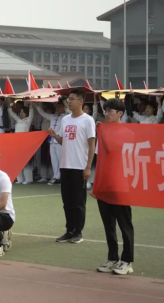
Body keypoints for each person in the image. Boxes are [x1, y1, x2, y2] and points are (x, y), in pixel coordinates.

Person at [48, 89, 96, 244]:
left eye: (72, 99)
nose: (69, 101)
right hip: (65, 165)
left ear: (81, 101)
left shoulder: (87, 120)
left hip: (79, 166)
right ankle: (69, 230)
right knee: (67, 201)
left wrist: (88, 167)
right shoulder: (65, 120)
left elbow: (92, 144)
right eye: (68, 99)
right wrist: (55, 136)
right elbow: (64, 141)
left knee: (78, 202)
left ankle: (78, 232)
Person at [94, 98, 135, 276]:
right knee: (108, 225)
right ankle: (113, 258)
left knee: (125, 225)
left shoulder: (128, 133)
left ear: (120, 113)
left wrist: (102, 132)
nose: (106, 113)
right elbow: (101, 161)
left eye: (110, 110)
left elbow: (121, 155)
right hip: (105, 184)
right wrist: (97, 186)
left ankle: (127, 261)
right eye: (105, 110)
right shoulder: (102, 132)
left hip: (122, 185)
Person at [36, 98, 70, 185]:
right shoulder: (53, 116)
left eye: (59, 106)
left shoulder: (66, 117)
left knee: (60, 159)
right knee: (54, 160)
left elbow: (70, 112)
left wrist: (65, 103)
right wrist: (37, 105)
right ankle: (56, 176)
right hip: (52, 141)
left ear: (63, 108)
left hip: (60, 140)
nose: (57, 108)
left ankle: (62, 177)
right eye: (57, 107)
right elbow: (43, 113)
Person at [9, 104, 35, 185]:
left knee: (26, 162)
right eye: (20, 112)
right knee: (17, 161)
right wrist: (9, 103)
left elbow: (31, 115)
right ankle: (20, 179)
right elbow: (11, 113)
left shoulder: (28, 120)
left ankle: (28, 179)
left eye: (23, 112)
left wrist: (31, 107)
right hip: (17, 144)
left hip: (25, 143)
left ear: (26, 113)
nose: (21, 113)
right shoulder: (18, 120)